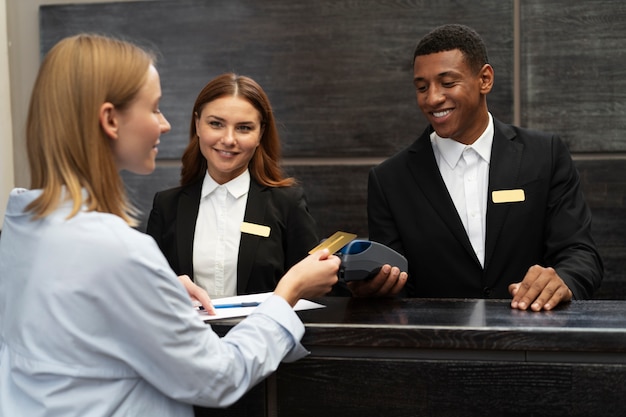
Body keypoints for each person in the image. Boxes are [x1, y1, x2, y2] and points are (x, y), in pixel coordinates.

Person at [0, 34, 339, 416]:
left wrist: (157, 290)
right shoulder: (121, 251)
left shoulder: (21, 224)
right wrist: (287, 293)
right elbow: (218, 376)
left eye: (244, 127)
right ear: (111, 120)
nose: (164, 124)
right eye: (155, 108)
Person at [350, 24, 603, 311]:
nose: (432, 98)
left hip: (533, 342)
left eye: (447, 83)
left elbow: (581, 254)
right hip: (435, 346)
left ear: (485, 79)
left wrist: (563, 281)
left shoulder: (545, 155)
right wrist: (373, 290)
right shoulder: (389, 180)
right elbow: (396, 285)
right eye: (422, 87)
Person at [146, 73, 341, 298]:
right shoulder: (167, 206)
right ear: (198, 124)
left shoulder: (287, 204)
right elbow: (148, 291)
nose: (229, 139)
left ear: (261, 134)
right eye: (216, 124)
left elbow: (317, 289)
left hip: (266, 332)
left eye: (244, 128)